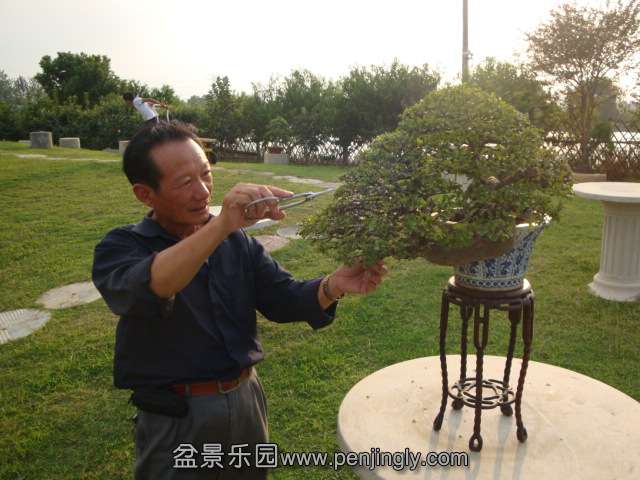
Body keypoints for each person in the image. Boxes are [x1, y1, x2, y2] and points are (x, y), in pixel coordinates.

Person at [91, 122, 387, 479]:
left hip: (246, 401)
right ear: (145, 194)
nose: (203, 191)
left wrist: (333, 285)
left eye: (206, 174)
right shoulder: (121, 248)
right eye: (185, 182)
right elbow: (152, 286)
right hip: (177, 418)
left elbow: (283, 298)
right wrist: (221, 227)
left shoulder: (235, 243)